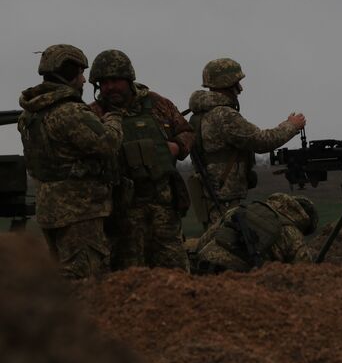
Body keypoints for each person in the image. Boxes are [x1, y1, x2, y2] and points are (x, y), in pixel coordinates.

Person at [17, 44, 123, 279]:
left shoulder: (30, 113)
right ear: (69, 73)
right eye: (81, 73)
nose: (84, 80)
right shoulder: (69, 112)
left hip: (49, 208)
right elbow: (108, 142)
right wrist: (114, 116)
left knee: (62, 277)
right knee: (83, 278)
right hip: (79, 210)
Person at [88, 49, 194, 271]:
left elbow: (187, 131)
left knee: (174, 268)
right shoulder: (94, 113)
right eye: (104, 83)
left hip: (163, 205)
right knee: (128, 272)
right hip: (122, 210)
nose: (109, 87)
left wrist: (176, 146)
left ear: (128, 79)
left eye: (115, 80)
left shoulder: (157, 104)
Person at [187, 58, 306, 225]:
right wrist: (291, 126)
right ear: (227, 84)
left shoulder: (200, 114)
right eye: (237, 84)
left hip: (212, 195)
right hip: (224, 197)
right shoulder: (224, 115)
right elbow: (261, 141)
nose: (240, 89)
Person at [187, 193, 318, 273]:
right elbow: (303, 273)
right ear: (305, 222)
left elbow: (206, 238)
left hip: (203, 264)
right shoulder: (293, 234)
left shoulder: (243, 209)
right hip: (236, 277)